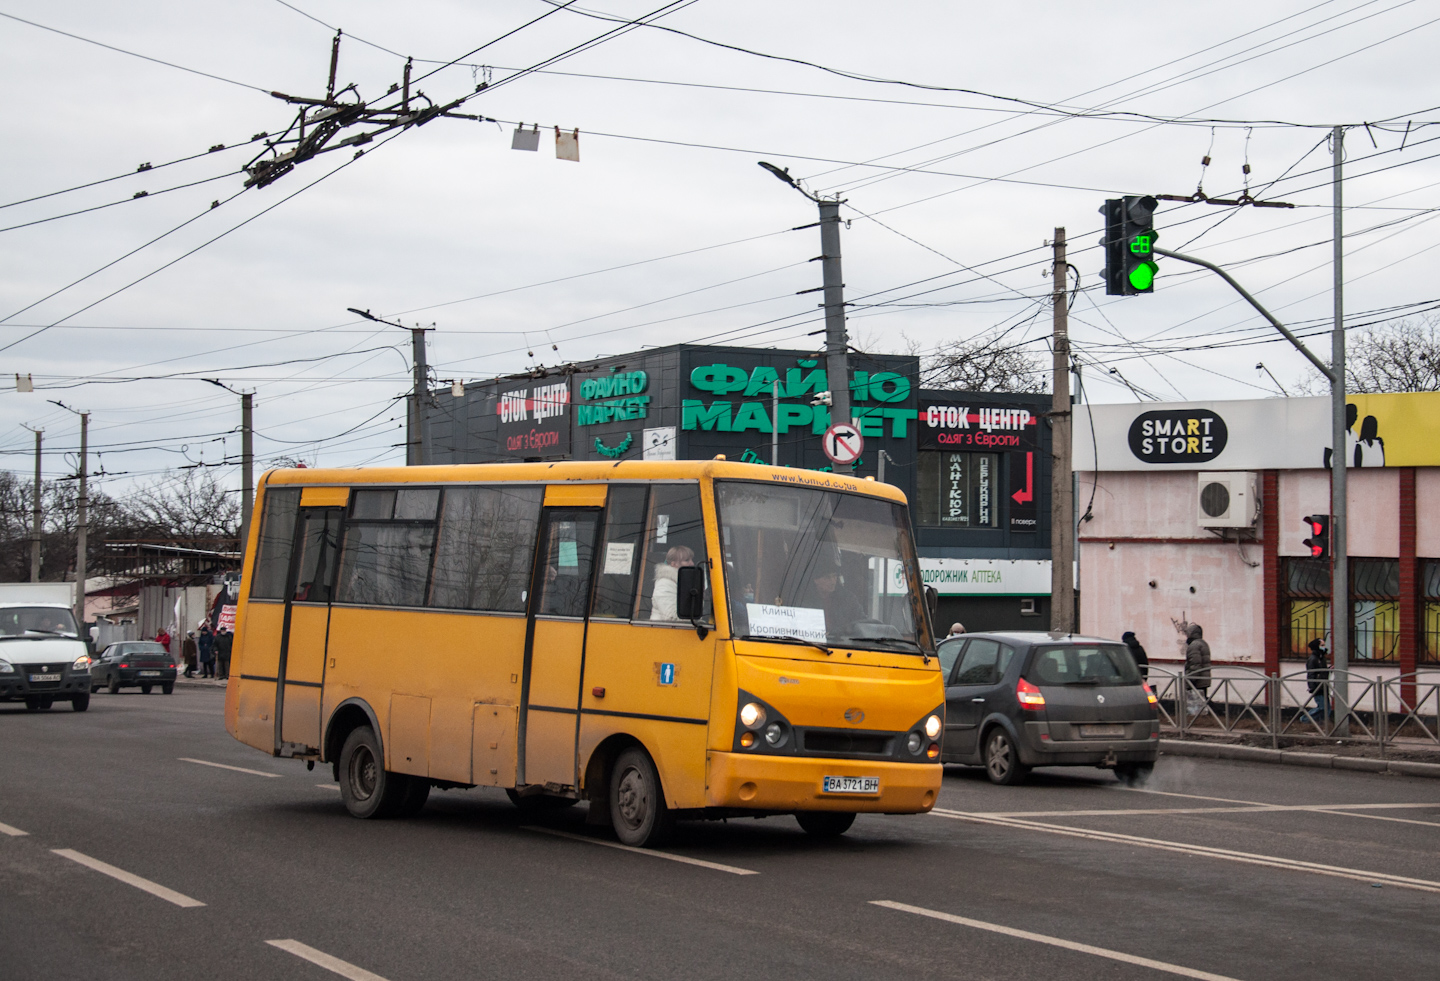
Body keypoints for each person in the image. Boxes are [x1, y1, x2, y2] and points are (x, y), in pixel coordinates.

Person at [649, 545, 696, 621]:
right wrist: (697, 620)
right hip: (664, 631)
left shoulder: (682, 583)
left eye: (692, 560)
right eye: (687, 560)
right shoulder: (665, 584)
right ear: (673, 564)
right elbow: (671, 617)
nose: (692, 563)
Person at [1184, 623, 1211, 716]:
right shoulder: (1203, 643)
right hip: (1204, 678)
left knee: (1196, 706)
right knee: (1202, 702)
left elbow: (1195, 664)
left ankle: (1195, 721)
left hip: (1197, 679)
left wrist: (1191, 679)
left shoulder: (1194, 645)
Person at [1305, 638, 1331, 724]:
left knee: (1327, 708)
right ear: (1317, 647)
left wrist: (1329, 669)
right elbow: (1311, 674)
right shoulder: (1313, 659)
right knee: (1322, 707)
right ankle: (1305, 719)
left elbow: (1322, 671)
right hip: (1318, 687)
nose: (1324, 647)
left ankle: (1321, 724)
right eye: (1322, 645)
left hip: (1323, 685)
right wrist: (1312, 687)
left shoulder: (1322, 658)